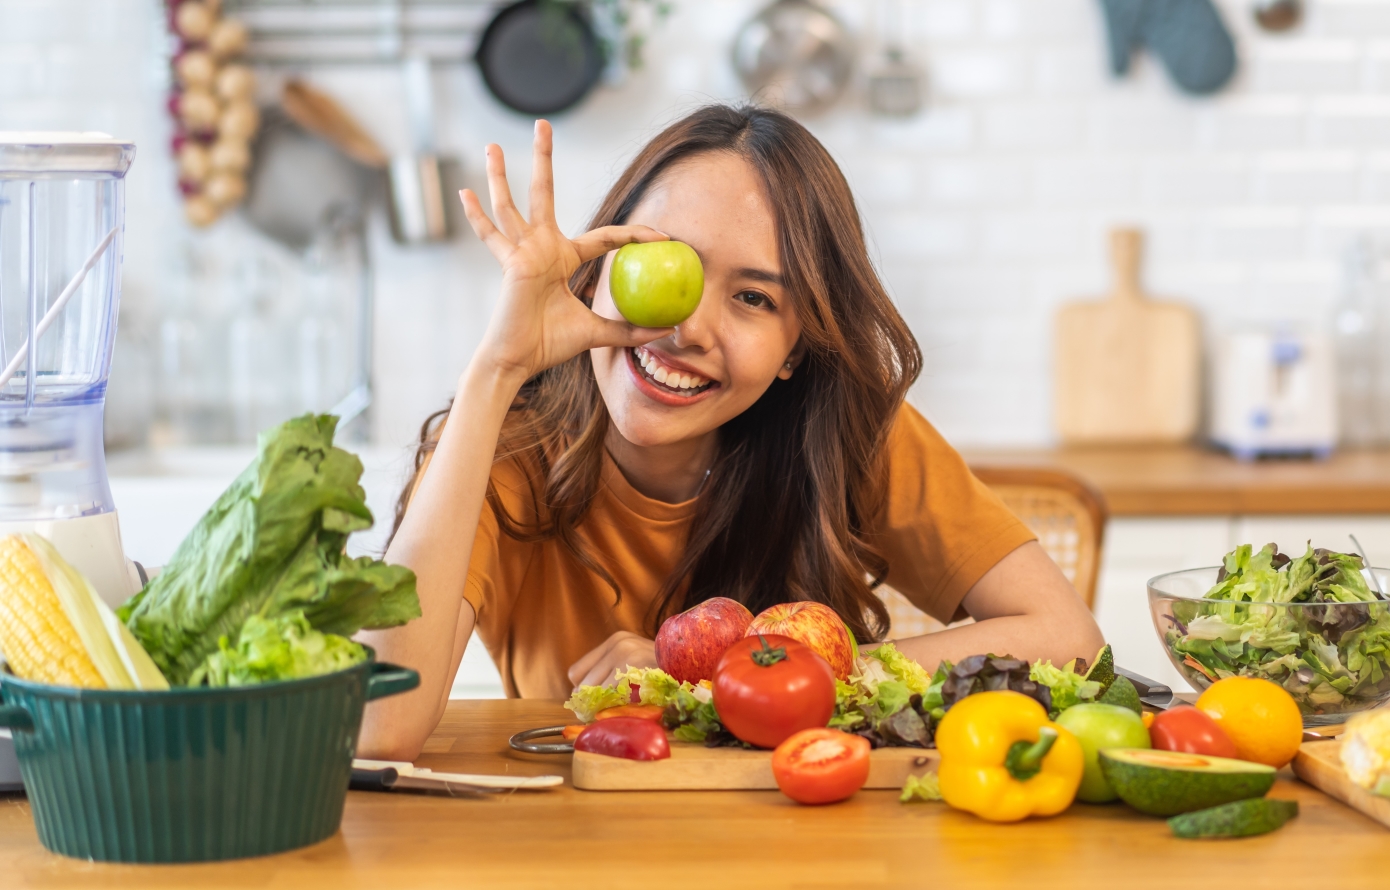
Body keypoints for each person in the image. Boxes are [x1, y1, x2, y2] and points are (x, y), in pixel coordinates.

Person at [357, 105, 1103, 760]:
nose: (685, 329)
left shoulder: (851, 434)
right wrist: (497, 369)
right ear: (598, 265)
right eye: (666, 261)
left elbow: (1069, 639)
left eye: (752, 297)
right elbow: (374, 730)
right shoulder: (502, 448)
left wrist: (721, 676)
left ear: (794, 351)